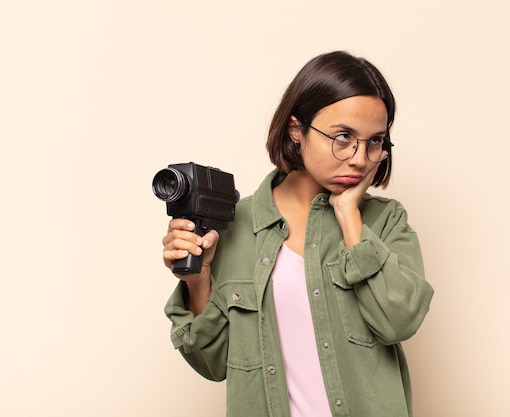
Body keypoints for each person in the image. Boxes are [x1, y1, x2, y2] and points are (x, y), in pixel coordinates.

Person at [161, 50, 434, 417]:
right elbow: (214, 365)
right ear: (296, 130)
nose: (359, 157)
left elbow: (397, 322)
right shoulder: (234, 225)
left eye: (374, 142)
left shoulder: (385, 223)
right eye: (342, 136)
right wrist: (198, 280)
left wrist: (348, 215)